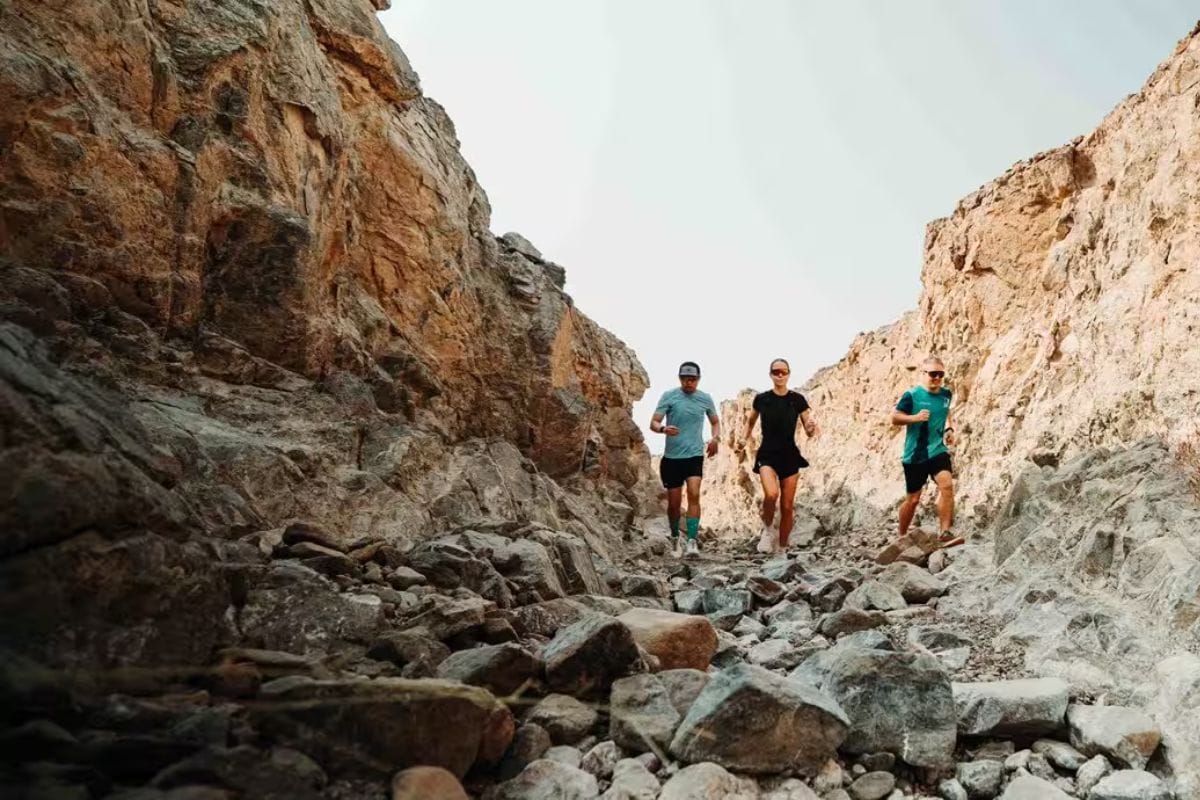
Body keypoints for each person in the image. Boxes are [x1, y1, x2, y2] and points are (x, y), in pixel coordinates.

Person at [738, 358, 818, 555]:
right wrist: (743, 439)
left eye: (783, 372)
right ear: (770, 375)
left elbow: (808, 428)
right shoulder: (761, 399)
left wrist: (810, 428)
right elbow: (750, 422)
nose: (780, 375)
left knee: (787, 506)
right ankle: (767, 530)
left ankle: (782, 549)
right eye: (776, 372)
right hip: (767, 453)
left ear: (789, 374)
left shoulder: (797, 399)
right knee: (771, 494)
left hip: (790, 455)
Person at [890, 355, 963, 547]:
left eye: (941, 374)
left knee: (946, 485)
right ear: (923, 374)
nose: (937, 378)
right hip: (916, 454)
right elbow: (895, 418)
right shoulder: (911, 395)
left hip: (938, 450)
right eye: (933, 374)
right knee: (913, 499)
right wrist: (915, 418)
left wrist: (949, 428)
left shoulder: (946, 394)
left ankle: (945, 532)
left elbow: (946, 412)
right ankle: (901, 535)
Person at [650, 361, 720, 557]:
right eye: (685, 379)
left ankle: (691, 541)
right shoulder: (669, 396)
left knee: (694, 494)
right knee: (674, 504)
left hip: (694, 456)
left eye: (692, 379)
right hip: (672, 459)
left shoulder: (705, 398)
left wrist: (715, 439)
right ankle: (674, 538)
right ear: (679, 378)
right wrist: (663, 429)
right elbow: (654, 422)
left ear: (698, 379)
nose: (689, 382)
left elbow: (715, 422)